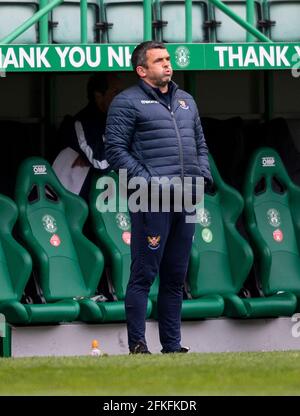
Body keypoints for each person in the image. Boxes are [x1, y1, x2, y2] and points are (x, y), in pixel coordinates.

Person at [105, 41, 212, 354]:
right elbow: (115, 151)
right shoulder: (127, 102)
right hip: (149, 200)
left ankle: (172, 346)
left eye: (168, 59)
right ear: (142, 70)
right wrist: (150, 182)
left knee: (176, 275)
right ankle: (138, 345)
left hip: (186, 199)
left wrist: (203, 176)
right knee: (144, 274)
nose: (168, 65)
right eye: (159, 61)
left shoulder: (186, 101)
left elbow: (200, 145)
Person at [53, 72, 123, 200]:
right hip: (70, 201)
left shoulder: (113, 119)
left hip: (100, 197)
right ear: (99, 96)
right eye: (115, 92)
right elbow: (101, 163)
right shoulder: (83, 122)